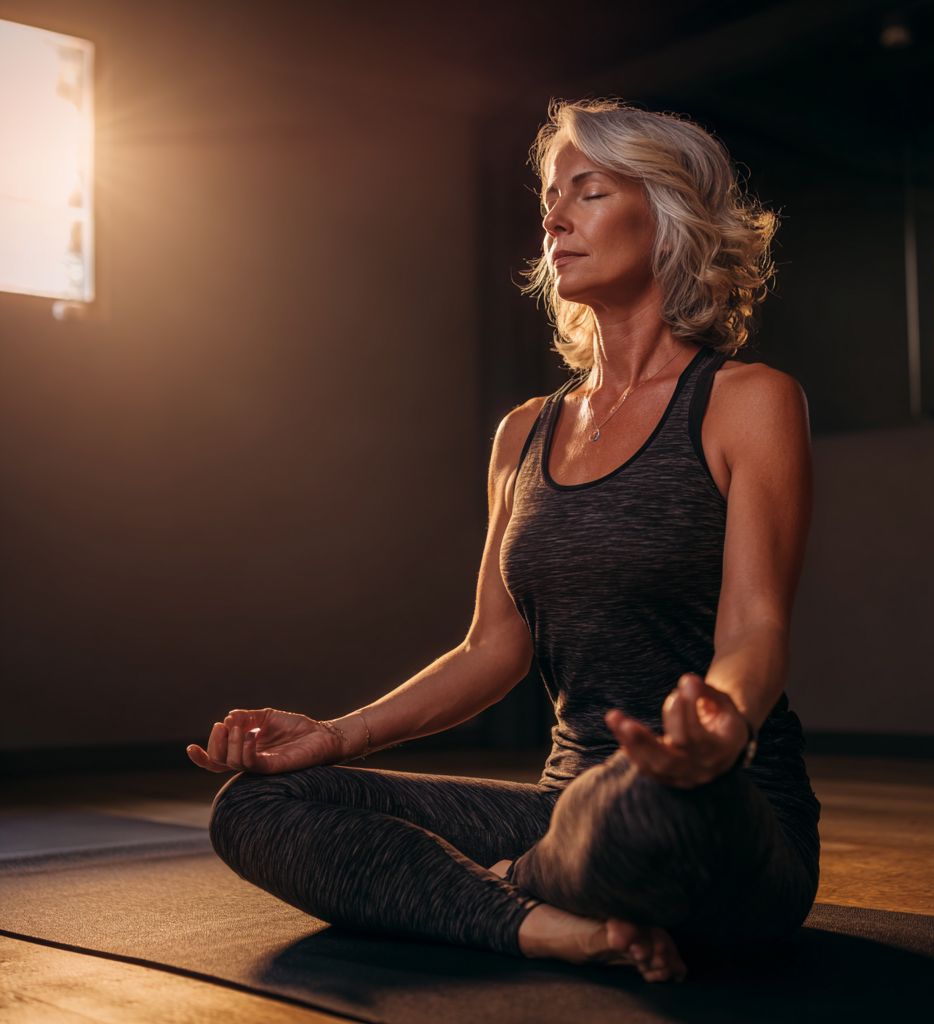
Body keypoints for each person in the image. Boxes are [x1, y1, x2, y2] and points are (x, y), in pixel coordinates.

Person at [187, 98, 819, 984]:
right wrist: (334, 737)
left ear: (669, 214)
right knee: (256, 807)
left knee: (639, 809)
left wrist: (720, 723)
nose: (555, 218)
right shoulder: (524, 432)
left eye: (588, 192)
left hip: (716, 808)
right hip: (562, 812)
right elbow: (492, 648)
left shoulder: (748, 401)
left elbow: (756, 626)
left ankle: (495, 895)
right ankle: (552, 926)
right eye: (550, 198)